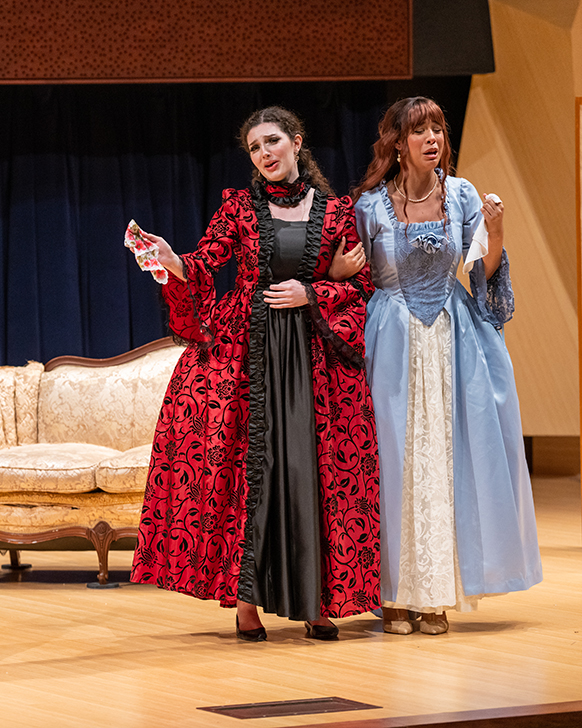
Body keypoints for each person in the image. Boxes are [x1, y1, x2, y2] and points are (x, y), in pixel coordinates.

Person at [130, 106, 381, 641]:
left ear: (296, 142)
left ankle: (317, 602)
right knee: (252, 476)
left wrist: (312, 291)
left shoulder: (337, 213)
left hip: (314, 362)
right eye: (254, 148)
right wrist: (170, 258)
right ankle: (247, 603)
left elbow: (363, 288)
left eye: (272, 142)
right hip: (248, 356)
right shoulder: (239, 209)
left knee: (311, 474)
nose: (265, 154)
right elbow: (203, 264)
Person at [353, 97, 541, 636]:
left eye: (438, 127)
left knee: (445, 460)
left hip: (451, 338)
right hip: (391, 340)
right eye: (420, 130)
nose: (432, 137)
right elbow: (353, 278)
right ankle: (393, 596)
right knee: (396, 462)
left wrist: (497, 233)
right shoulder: (370, 207)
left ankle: (434, 595)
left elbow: (482, 273)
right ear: (397, 143)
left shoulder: (460, 196)